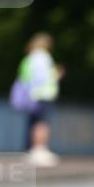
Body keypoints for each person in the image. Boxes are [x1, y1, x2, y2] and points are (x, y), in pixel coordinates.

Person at [17, 33, 64, 167]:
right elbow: (42, 77)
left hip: (32, 95)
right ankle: (39, 150)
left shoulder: (29, 57)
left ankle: (31, 150)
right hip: (42, 94)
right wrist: (56, 74)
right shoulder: (42, 57)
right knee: (42, 123)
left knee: (33, 122)